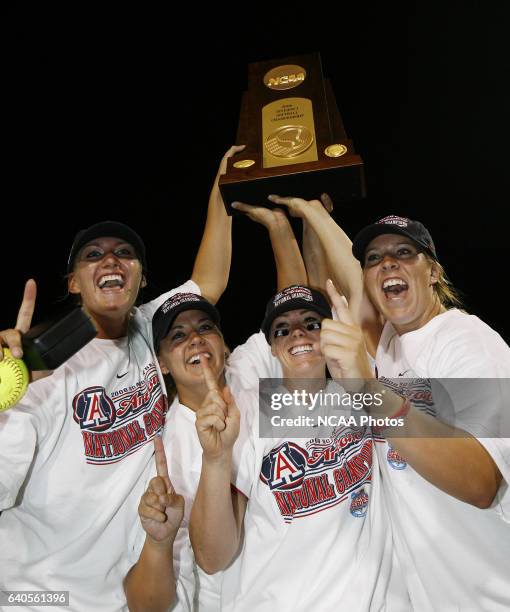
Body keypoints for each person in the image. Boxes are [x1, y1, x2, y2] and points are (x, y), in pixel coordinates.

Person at [0, 148, 241, 611]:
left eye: (124, 254)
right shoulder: (40, 368)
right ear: (73, 283)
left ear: (141, 279)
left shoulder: (149, 328)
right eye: (93, 255)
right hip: (36, 593)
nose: (111, 260)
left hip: (118, 593)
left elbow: (208, 279)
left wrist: (223, 183)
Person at [265, 197, 510, 610]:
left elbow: (481, 481)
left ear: (433, 271)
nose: (388, 265)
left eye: (404, 253)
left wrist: (367, 388)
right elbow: (346, 277)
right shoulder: (390, 349)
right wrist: (312, 213)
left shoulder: (466, 340)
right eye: (375, 259)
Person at [189, 281, 402, 611]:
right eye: (282, 330)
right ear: (272, 347)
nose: (298, 335)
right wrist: (215, 458)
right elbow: (212, 557)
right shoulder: (249, 409)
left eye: (311, 324)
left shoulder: (359, 393)